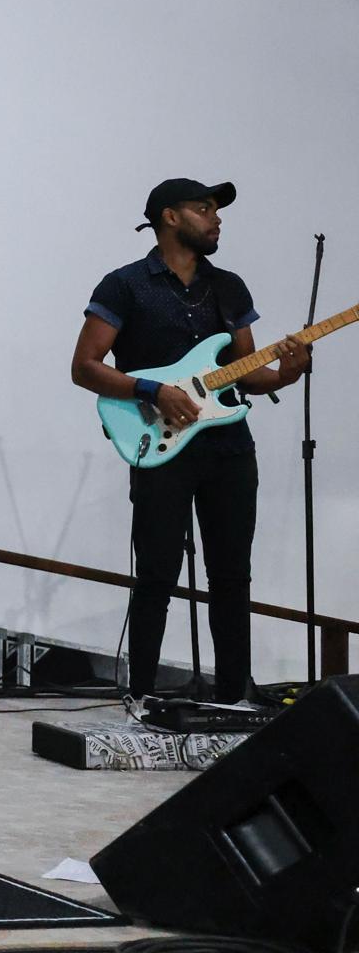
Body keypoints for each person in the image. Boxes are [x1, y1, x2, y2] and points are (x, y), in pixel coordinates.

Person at [70, 178, 308, 703]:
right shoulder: (124, 285)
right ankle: (141, 695)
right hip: (160, 447)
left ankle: (233, 696)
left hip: (229, 448)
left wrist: (286, 374)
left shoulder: (229, 287)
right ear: (169, 217)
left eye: (216, 211)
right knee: (156, 573)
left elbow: (245, 372)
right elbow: (84, 367)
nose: (216, 219)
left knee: (232, 575)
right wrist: (152, 389)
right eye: (204, 209)